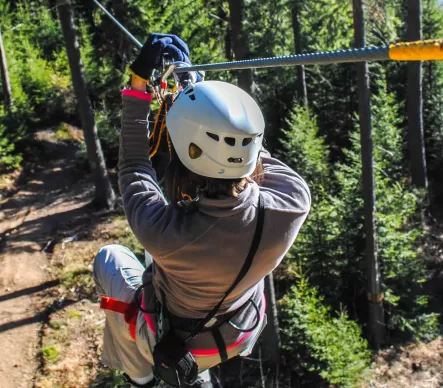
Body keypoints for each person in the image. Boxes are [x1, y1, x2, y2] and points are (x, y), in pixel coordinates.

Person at [93, 34, 311, 387]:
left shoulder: (165, 234)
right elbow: (252, 153)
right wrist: (197, 94)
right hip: (239, 330)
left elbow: (135, 166)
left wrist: (138, 85)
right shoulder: (292, 202)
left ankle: (140, 374)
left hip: (178, 339)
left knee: (109, 257)